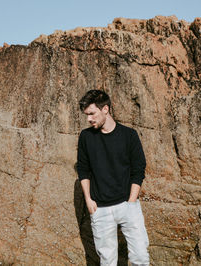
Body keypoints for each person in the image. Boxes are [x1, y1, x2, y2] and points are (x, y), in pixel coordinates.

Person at [77, 89, 149, 266]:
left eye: (92, 113)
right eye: (86, 115)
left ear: (105, 109)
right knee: (107, 261)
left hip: (127, 204)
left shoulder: (129, 135)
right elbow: (83, 170)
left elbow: (138, 170)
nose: (89, 119)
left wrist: (131, 202)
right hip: (100, 209)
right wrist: (88, 200)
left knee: (140, 256)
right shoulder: (86, 137)